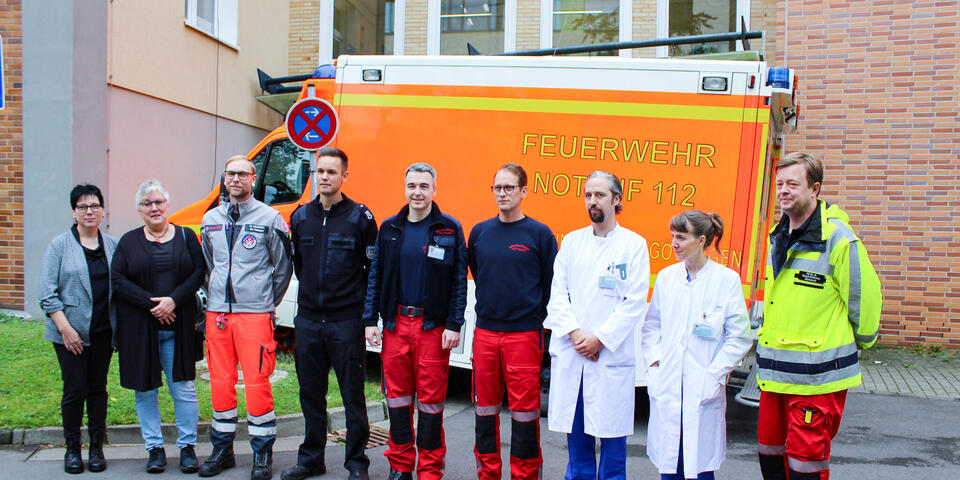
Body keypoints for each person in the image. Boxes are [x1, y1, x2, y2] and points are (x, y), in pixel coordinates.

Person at [756, 152, 881, 480]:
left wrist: (857, 341)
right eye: (780, 184)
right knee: (770, 455)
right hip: (775, 372)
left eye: (793, 184)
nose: (783, 190)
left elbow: (863, 298)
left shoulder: (838, 237)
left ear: (815, 189)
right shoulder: (778, 235)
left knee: (805, 465)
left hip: (817, 377)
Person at [362, 163, 468, 480]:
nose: (417, 192)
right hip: (396, 324)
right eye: (412, 185)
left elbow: (458, 281)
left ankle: (430, 470)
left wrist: (454, 323)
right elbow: (375, 276)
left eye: (424, 186)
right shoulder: (390, 228)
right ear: (405, 188)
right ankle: (401, 466)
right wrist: (370, 319)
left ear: (434, 189)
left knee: (432, 404)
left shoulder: (449, 228)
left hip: (432, 328)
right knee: (397, 400)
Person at [544, 171, 650, 480]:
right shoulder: (573, 242)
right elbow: (557, 296)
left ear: (617, 199)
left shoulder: (633, 245)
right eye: (589, 194)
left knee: (613, 445)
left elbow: (634, 301)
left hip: (608, 358)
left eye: (600, 195)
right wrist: (578, 336)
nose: (593, 200)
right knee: (578, 447)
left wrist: (599, 339)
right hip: (575, 354)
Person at [282, 147, 377, 480]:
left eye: (331, 172)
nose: (324, 177)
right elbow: (299, 265)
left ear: (344, 176)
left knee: (352, 394)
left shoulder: (360, 218)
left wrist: (367, 319)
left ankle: (356, 462)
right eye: (320, 171)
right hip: (308, 321)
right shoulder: (300, 217)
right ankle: (311, 459)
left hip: (345, 322)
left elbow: (371, 271)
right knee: (310, 393)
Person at [199, 155, 294, 480]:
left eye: (242, 173)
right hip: (217, 316)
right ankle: (222, 450)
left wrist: (264, 301)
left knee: (256, 383)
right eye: (230, 174)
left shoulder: (271, 219)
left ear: (253, 178)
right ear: (224, 179)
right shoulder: (210, 219)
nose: (236, 178)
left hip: (254, 316)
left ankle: (262, 455)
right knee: (221, 383)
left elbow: (282, 269)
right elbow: (210, 264)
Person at [641, 210, 752, 480]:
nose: (674, 243)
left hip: (703, 383)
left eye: (681, 237)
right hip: (668, 381)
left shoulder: (726, 280)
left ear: (702, 240)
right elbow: (652, 326)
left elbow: (738, 336)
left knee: (699, 467)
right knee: (670, 464)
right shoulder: (667, 278)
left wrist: (714, 373)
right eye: (672, 237)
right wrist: (655, 362)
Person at [467, 163, 557, 480]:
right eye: (497, 188)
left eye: (509, 187)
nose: (502, 194)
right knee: (484, 411)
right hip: (486, 333)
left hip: (524, 335)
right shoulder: (479, 233)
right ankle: (487, 473)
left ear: (523, 191)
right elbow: (480, 273)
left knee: (524, 413)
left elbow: (550, 285)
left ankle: (526, 474)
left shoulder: (540, 235)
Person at [111, 180, 206, 474]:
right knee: (145, 391)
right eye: (147, 203)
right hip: (141, 330)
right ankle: (154, 449)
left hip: (179, 328)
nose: (154, 208)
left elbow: (198, 272)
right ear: (139, 209)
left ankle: (187, 447)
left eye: (158, 202)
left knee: (184, 389)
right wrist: (154, 305)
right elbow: (118, 280)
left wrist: (174, 301)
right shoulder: (128, 242)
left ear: (168, 204)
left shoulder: (187, 237)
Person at [38, 184, 118, 474]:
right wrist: (66, 329)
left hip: (102, 332)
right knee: (74, 390)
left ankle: (96, 447)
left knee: (97, 390)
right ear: (74, 211)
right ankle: (72, 449)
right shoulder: (59, 245)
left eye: (94, 205)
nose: (89, 211)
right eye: (83, 206)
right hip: (68, 334)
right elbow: (47, 293)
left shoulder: (111, 244)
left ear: (102, 210)